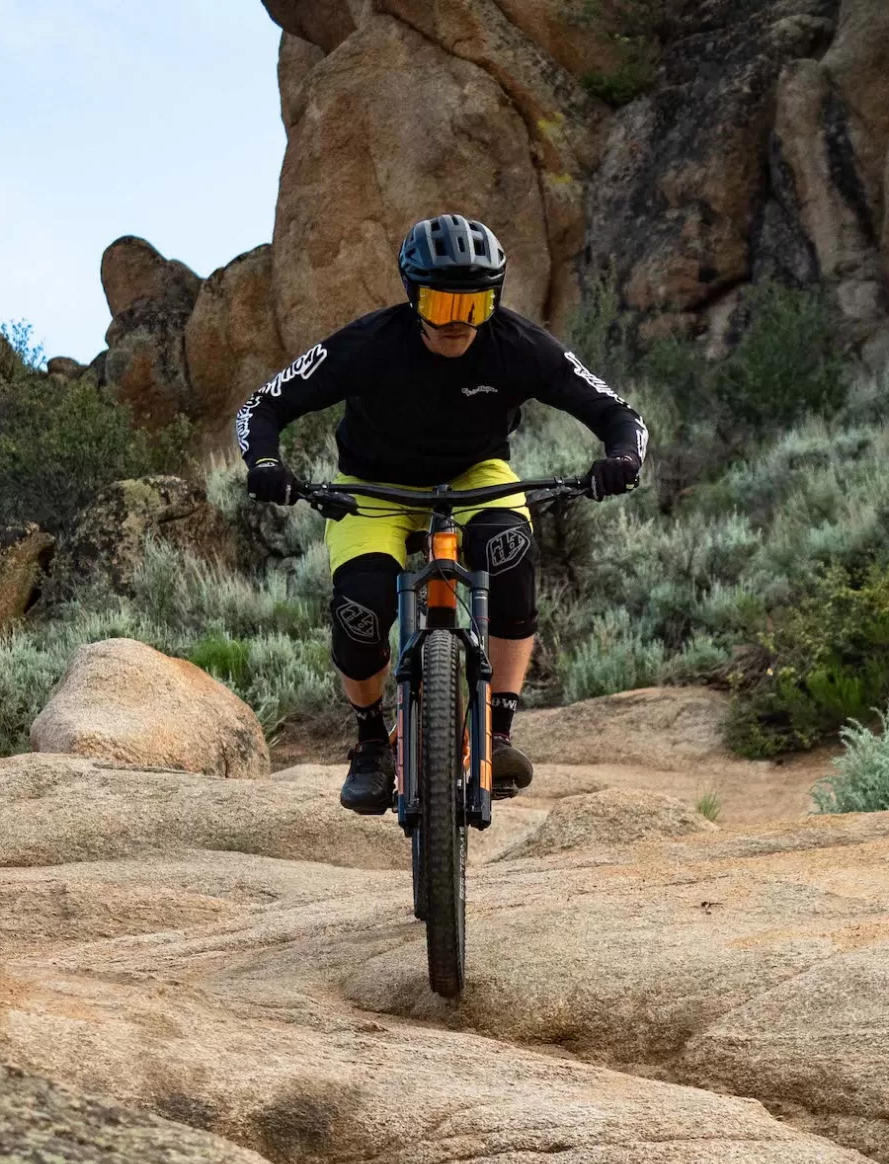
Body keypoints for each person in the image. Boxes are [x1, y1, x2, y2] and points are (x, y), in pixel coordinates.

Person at [237, 214, 649, 814]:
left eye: (474, 305)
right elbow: (262, 406)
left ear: (495, 300)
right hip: (372, 486)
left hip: (476, 476)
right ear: (412, 297)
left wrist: (620, 459)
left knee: (509, 556)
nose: (457, 322)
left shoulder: (518, 345)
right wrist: (266, 465)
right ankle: (372, 743)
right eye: (439, 302)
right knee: (360, 609)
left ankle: (498, 731)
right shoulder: (368, 343)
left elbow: (620, 414)